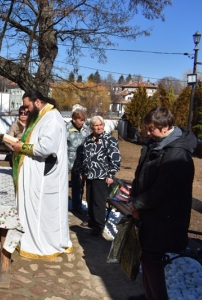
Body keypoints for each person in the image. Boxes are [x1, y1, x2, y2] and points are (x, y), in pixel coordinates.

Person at [128, 107, 197, 300]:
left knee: (151, 259)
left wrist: (137, 204)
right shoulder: (155, 145)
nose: (147, 133)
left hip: (164, 218)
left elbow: (162, 191)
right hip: (151, 214)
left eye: (151, 129)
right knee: (148, 258)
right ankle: (150, 295)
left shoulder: (177, 154)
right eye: (147, 128)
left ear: (165, 127)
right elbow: (140, 175)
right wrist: (135, 199)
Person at [11, 89, 71, 259]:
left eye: (27, 106)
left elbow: (46, 147)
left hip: (45, 176)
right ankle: (27, 237)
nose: (26, 110)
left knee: (43, 213)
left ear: (37, 102)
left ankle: (40, 242)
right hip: (38, 173)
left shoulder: (51, 118)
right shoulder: (42, 116)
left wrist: (21, 147)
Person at [80, 115, 121, 236]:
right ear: (91, 127)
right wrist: (82, 172)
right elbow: (84, 157)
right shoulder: (88, 140)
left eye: (100, 125)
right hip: (90, 174)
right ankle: (92, 220)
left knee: (99, 201)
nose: (98, 127)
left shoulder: (109, 140)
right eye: (96, 125)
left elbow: (115, 158)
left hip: (102, 175)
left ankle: (99, 225)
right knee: (90, 199)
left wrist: (111, 174)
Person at [66, 109, 90, 213]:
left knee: (78, 184)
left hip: (80, 161)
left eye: (83, 120)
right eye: (80, 120)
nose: (82, 122)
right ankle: (61, 203)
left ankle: (77, 206)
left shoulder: (86, 129)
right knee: (62, 183)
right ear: (74, 119)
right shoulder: (66, 128)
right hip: (67, 159)